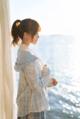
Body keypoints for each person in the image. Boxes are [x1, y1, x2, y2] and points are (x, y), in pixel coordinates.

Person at [11, 18, 57, 119]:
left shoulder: (24, 53)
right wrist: (47, 72)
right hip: (33, 109)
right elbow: (36, 86)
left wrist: (49, 82)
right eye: (36, 33)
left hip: (29, 105)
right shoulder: (28, 57)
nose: (38, 36)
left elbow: (31, 82)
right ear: (26, 35)